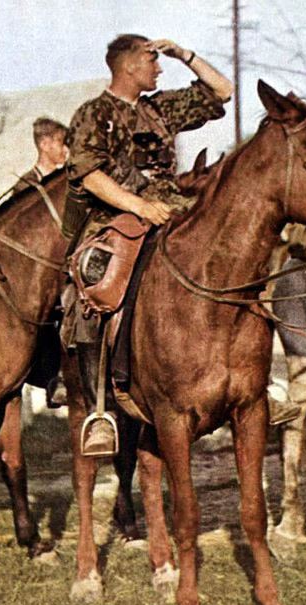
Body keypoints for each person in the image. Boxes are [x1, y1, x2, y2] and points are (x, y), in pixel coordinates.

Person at [64, 34, 233, 454]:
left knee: (234, 263)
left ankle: (246, 382)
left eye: (161, 61)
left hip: (175, 214)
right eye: (152, 60)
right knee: (95, 294)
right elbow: (88, 174)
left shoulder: (159, 109)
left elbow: (222, 91)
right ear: (127, 66)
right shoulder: (93, 113)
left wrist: (185, 54)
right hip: (115, 219)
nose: (159, 68)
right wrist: (139, 206)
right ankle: (100, 411)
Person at [11, 117, 68, 196]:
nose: (66, 150)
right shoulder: (25, 186)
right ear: (44, 145)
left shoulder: (67, 176)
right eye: (61, 143)